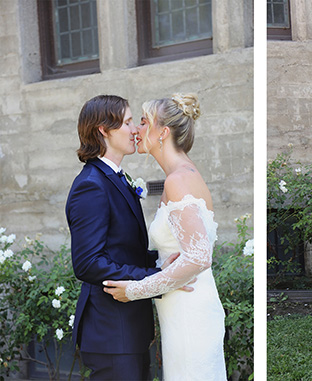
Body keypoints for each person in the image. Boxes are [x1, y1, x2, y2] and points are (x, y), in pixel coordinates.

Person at [102, 93, 226, 380]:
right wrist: (160, 269)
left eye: (144, 122)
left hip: (190, 310)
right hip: (180, 306)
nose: (137, 130)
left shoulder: (179, 179)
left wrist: (134, 290)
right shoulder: (181, 174)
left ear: (163, 132)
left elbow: (198, 257)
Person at [66, 95, 169, 379]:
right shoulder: (91, 185)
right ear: (103, 129)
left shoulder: (116, 178)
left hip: (127, 330)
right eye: (127, 122)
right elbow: (88, 263)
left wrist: (165, 263)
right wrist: (153, 277)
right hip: (111, 332)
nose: (136, 129)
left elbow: (123, 251)